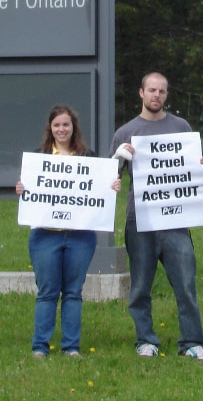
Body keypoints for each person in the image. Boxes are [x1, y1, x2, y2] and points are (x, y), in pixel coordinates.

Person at [109, 72, 203, 360]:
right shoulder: (126, 131)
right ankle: (145, 340)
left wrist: (198, 165)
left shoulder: (181, 127)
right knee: (140, 285)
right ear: (141, 93)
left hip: (176, 220)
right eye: (151, 90)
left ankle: (191, 342)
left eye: (162, 91)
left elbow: (188, 171)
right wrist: (118, 158)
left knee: (186, 283)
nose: (156, 95)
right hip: (139, 220)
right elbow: (109, 178)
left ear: (166, 94)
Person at [16, 105, 121, 359]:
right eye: (57, 125)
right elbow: (32, 192)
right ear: (50, 129)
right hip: (45, 235)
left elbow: (98, 189)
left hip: (79, 236)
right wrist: (22, 189)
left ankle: (71, 347)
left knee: (73, 292)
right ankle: (40, 347)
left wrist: (111, 187)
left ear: (73, 128)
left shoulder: (87, 156)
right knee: (47, 292)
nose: (61, 129)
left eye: (66, 125)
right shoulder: (38, 157)